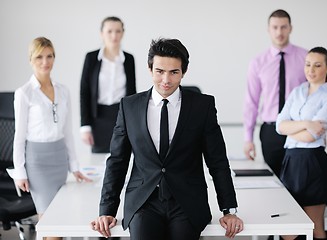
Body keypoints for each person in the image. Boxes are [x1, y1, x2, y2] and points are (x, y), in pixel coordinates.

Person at [90, 38, 243, 240]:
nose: (166, 80)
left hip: (187, 201)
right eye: (159, 71)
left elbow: (217, 161)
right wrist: (107, 210)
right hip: (143, 202)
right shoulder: (129, 107)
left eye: (174, 72)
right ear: (150, 69)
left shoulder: (202, 106)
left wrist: (229, 209)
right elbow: (117, 160)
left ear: (184, 72)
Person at [12, 37, 91, 240]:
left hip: (59, 162)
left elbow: (67, 133)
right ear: (31, 60)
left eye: (49, 56)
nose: (45, 62)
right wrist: (20, 171)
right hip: (37, 164)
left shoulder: (63, 91)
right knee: (52, 227)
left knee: (62, 223)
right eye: (39, 57)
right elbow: (19, 137)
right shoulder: (24, 93)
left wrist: (74, 166)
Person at [276, 47, 327, 240]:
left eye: (317, 65)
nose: (311, 70)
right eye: (308, 64)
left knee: (315, 229)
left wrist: (292, 129)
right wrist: (306, 124)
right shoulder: (297, 91)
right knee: (288, 231)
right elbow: (279, 126)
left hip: (313, 164)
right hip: (291, 162)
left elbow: (311, 137)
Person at [243, 9, 308, 177]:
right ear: (268, 29)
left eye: (283, 27)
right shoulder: (257, 62)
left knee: (298, 180)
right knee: (275, 180)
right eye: (275, 27)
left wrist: (318, 132)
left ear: (290, 28)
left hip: (298, 129)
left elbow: (314, 95)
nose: (279, 32)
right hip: (271, 131)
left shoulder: (306, 58)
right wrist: (248, 138)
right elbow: (252, 102)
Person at [80, 16, 136, 153]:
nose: (114, 35)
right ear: (102, 34)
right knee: (98, 161)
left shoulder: (128, 59)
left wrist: (134, 124)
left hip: (121, 117)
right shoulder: (91, 58)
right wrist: (85, 126)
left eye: (118, 31)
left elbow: (132, 93)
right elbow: (84, 92)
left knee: (121, 157)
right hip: (98, 117)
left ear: (122, 33)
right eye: (109, 31)